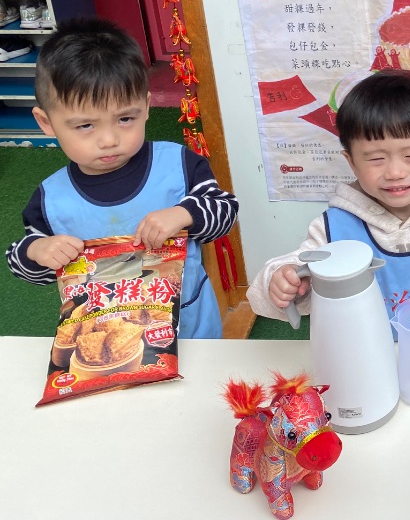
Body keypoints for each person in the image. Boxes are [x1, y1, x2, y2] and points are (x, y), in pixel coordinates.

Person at [248, 71, 410, 372]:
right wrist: (281, 281)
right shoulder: (334, 228)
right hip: (358, 366)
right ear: (351, 161)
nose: (395, 172)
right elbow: (296, 279)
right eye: (376, 159)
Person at [5, 18, 238, 338]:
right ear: (46, 123)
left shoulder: (178, 164)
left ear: (146, 106)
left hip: (191, 331)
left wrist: (184, 213)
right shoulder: (51, 199)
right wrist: (38, 251)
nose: (109, 140)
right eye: (85, 126)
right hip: (105, 341)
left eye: (125, 118)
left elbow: (225, 211)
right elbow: (21, 261)